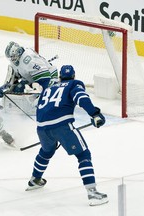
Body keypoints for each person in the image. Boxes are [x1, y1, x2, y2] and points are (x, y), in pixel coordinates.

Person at [25, 65, 108, 206]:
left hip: (41, 128)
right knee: (83, 155)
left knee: (46, 151)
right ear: (73, 76)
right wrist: (94, 113)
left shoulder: (49, 87)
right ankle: (92, 193)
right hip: (62, 126)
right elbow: (81, 98)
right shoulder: (73, 84)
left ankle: (34, 180)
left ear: (60, 77)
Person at [2, 41, 58, 115]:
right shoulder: (16, 59)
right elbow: (14, 77)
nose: (12, 59)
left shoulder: (29, 60)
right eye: (11, 58)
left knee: (43, 97)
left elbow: (45, 78)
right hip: (32, 77)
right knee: (17, 90)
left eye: (13, 57)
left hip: (49, 77)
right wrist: (7, 86)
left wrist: (41, 95)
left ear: (18, 52)